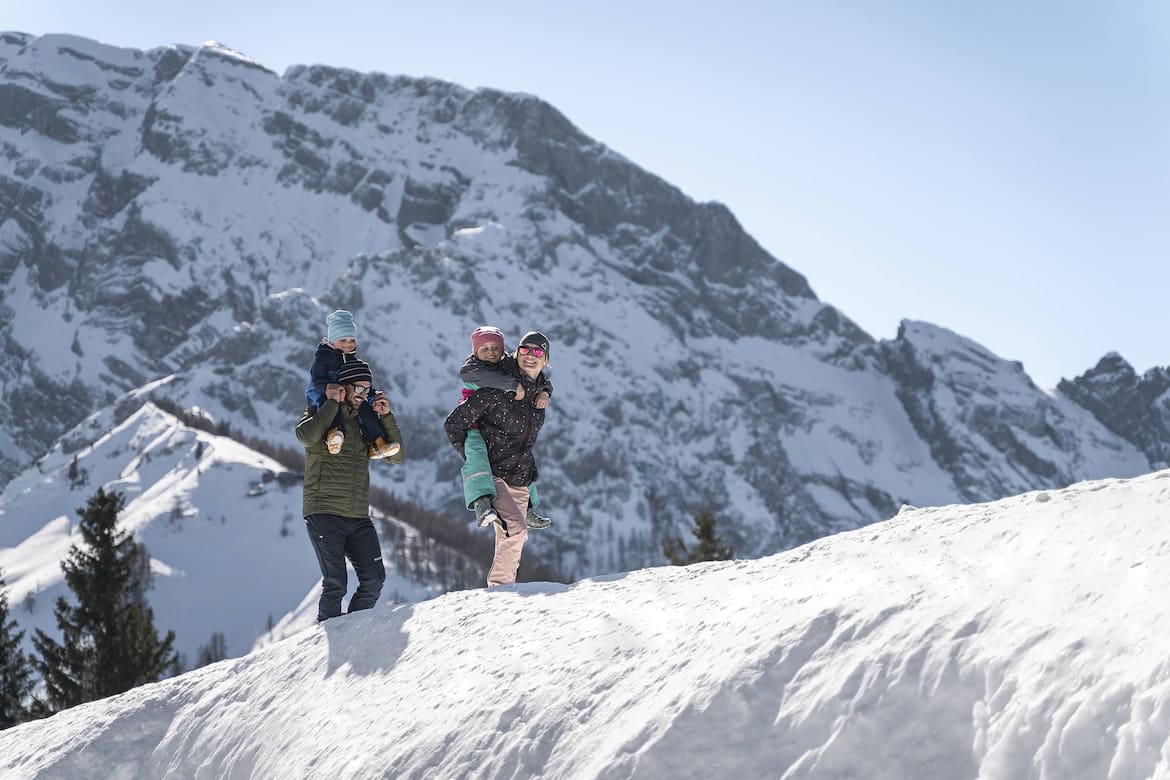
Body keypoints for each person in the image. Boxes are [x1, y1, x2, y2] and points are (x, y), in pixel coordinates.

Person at [296, 358, 404, 621]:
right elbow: (306, 437)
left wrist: (385, 416)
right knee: (336, 583)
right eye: (359, 388)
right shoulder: (320, 410)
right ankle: (328, 636)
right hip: (324, 511)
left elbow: (396, 457)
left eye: (368, 390)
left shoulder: (364, 422)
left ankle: (352, 632)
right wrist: (332, 403)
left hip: (357, 516)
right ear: (343, 386)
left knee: (374, 579)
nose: (363, 395)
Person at [445, 331, 553, 587]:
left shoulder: (538, 394)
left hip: (520, 477)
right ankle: (500, 595)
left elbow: (524, 440)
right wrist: (474, 455)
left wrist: (546, 392)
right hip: (494, 474)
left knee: (514, 539)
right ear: (516, 354)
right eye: (525, 350)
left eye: (538, 352)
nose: (530, 355)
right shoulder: (497, 388)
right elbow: (453, 424)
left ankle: (504, 593)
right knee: (516, 530)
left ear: (546, 360)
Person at [458, 326, 552, 530]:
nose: (490, 352)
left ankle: (528, 508)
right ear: (476, 352)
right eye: (484, 349)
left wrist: (545, 391)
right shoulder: (475, 367)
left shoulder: (505, 366)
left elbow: (537, 379)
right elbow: (468, 374)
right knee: (476, 456)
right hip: (474, 423)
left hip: (496, 424)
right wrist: (510, 384)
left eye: (495, 348)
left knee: (522, 457)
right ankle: (481, 503)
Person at [305, 309, 399, 459]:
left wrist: (372, 396)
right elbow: (317, 379)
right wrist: (328, 388)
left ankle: (378, 442)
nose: (348, 344)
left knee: (365, 408)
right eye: (343, 340)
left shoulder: (350, 358)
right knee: (334, 405)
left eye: (352, 340)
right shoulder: (323, 357)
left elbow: (359, 380)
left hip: (344, 392)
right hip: (320, 393)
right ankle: (334, 435)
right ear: (333, 340)